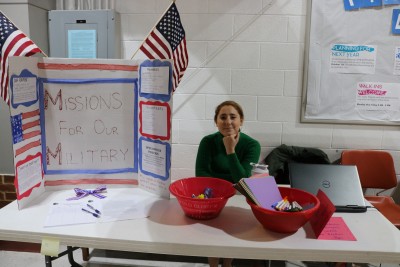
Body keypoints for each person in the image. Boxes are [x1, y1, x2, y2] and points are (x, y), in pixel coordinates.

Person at [195, 100, 261, 267]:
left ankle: (228, 263)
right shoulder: (207, 142)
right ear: (216, 121)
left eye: (233, 117)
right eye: (222, 117)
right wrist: (228, 181)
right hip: (213, 197)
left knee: (232, 233)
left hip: (239, 199)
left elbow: (243, 180)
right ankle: (213, 264)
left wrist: (230, 150)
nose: (228, 122)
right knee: (212, 235)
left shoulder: (252, 145)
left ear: (241, 120)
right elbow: (201, 176)